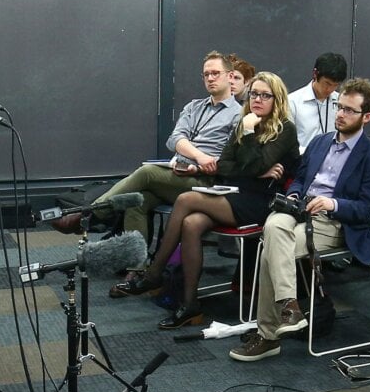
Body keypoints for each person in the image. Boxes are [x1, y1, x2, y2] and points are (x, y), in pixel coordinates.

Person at [113, 71, 299, 328]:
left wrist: (247, 138)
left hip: (261, 202)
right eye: (254, 93)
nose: (257, 99)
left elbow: (255, 165)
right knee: (191, 224)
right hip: (235, 193)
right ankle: (190, 305)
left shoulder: (284, 130)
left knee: (187, 199)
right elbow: (224, 166)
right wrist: (254, 166)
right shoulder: (244, 122)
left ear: (276, 99)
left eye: (265, 95)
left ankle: (154, 273)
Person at [230, 78, 370, 361]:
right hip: (300, 212)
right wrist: (292, 195)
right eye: (339, 107)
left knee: (272, 247)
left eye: (349, 111)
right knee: (275, 225)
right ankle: (289, 307)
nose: (340, 114)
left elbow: (366, 210)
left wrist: (332, 202)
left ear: (367, 117)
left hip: (335, 223)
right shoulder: (320, 142)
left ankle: (268, 335)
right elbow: (301, 179)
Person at [50, 52, 241, 244]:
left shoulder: (239, 114)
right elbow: (174, 139)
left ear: (230, 76)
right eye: (206, 74)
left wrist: (198, 163)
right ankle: (136, 267)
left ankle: (87, 216)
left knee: (147, 172)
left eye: (215, 73)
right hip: (179, 172)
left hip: (205, 181)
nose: (210, 78)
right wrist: (199, 156)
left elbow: (228, 158)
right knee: (137, 200)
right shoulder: (194, 107)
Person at [288, 52, 348, 141]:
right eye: (327, 83)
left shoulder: (341, 102)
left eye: (336, 85)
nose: (330, 89)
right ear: (315, 73)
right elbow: (287, 141)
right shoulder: (292, 102)